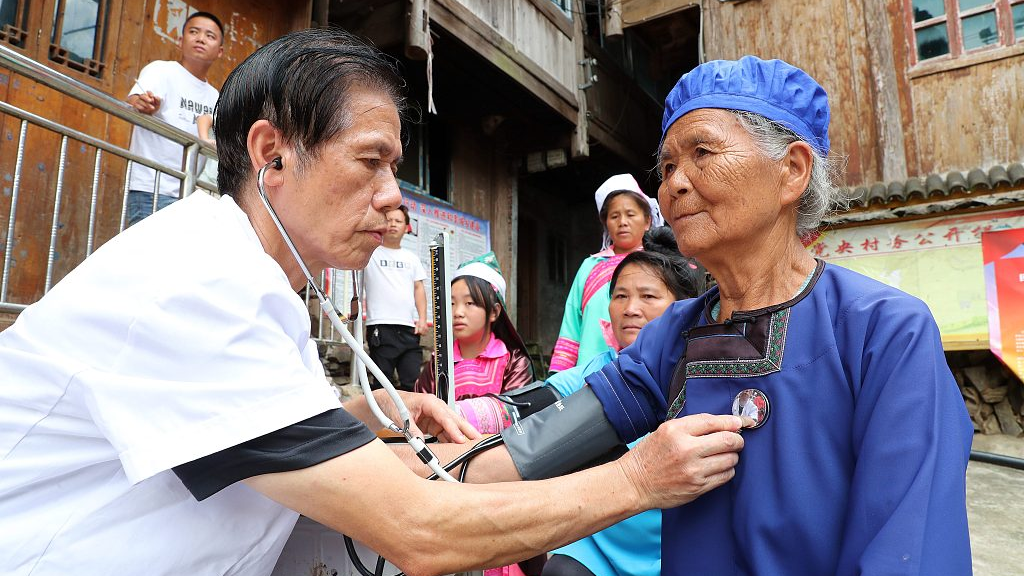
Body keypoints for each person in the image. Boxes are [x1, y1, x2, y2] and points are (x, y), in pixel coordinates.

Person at [0, 28, 747, 576]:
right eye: (370, 163)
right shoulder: (198, 282)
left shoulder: (260, 286)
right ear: (272, 156)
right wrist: (637, 481)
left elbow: (297, 457)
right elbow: (420, 531)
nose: (394, 198)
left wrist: (350, 421)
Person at [577, 56, 974, 575]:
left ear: (791, 170)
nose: (673, 184)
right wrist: (460, 440)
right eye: (668, 165)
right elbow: (551, 431)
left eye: (702, 152)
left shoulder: (884, 330)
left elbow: (907, 548)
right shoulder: (671, 335)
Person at [452, 228, 704, 576]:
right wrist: (451, 415)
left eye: (648, 296)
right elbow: (525, 406)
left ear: (684, 309)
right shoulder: (597, 372)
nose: (630, 309)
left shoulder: (708, 377)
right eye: (619, 296)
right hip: (597, 540)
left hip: (676, 540)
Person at [549, 174, 663, 373]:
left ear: (647, 221)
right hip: (586, 375)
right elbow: (571, 324)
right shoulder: (590, 265)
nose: (623, 222)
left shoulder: (658, 265)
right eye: (614, 216)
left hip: (643, 372)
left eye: (630, 214)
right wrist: (559, 374)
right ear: (606, 224)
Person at [125, 11, 223, 225]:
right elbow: (135, 100)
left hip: (188, 193)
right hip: (151, 186)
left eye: (210, 36)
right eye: (194, 32)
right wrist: (141, 103)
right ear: (180, 40)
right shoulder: (162, 71)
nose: (200, 39)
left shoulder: (216, 97)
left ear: (220, 51)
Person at [416, 252, 533, 404]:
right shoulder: (437, 363)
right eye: (451, 304)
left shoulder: (514, 362)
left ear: (494, 312)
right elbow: (421, 411)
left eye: (469, 303)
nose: (457, 312)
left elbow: (516, 414)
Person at [364, 204, 428, 391]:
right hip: (381, 327)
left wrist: (422, 319)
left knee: (412, 382)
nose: (393, 224)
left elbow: (418, 288)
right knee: (382, 384)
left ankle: (410, 419)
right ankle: (382, 420)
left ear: (406, 227)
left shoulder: (412, 258)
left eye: (398, 221)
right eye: (389, 220)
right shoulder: (370, 253)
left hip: (409, 329)